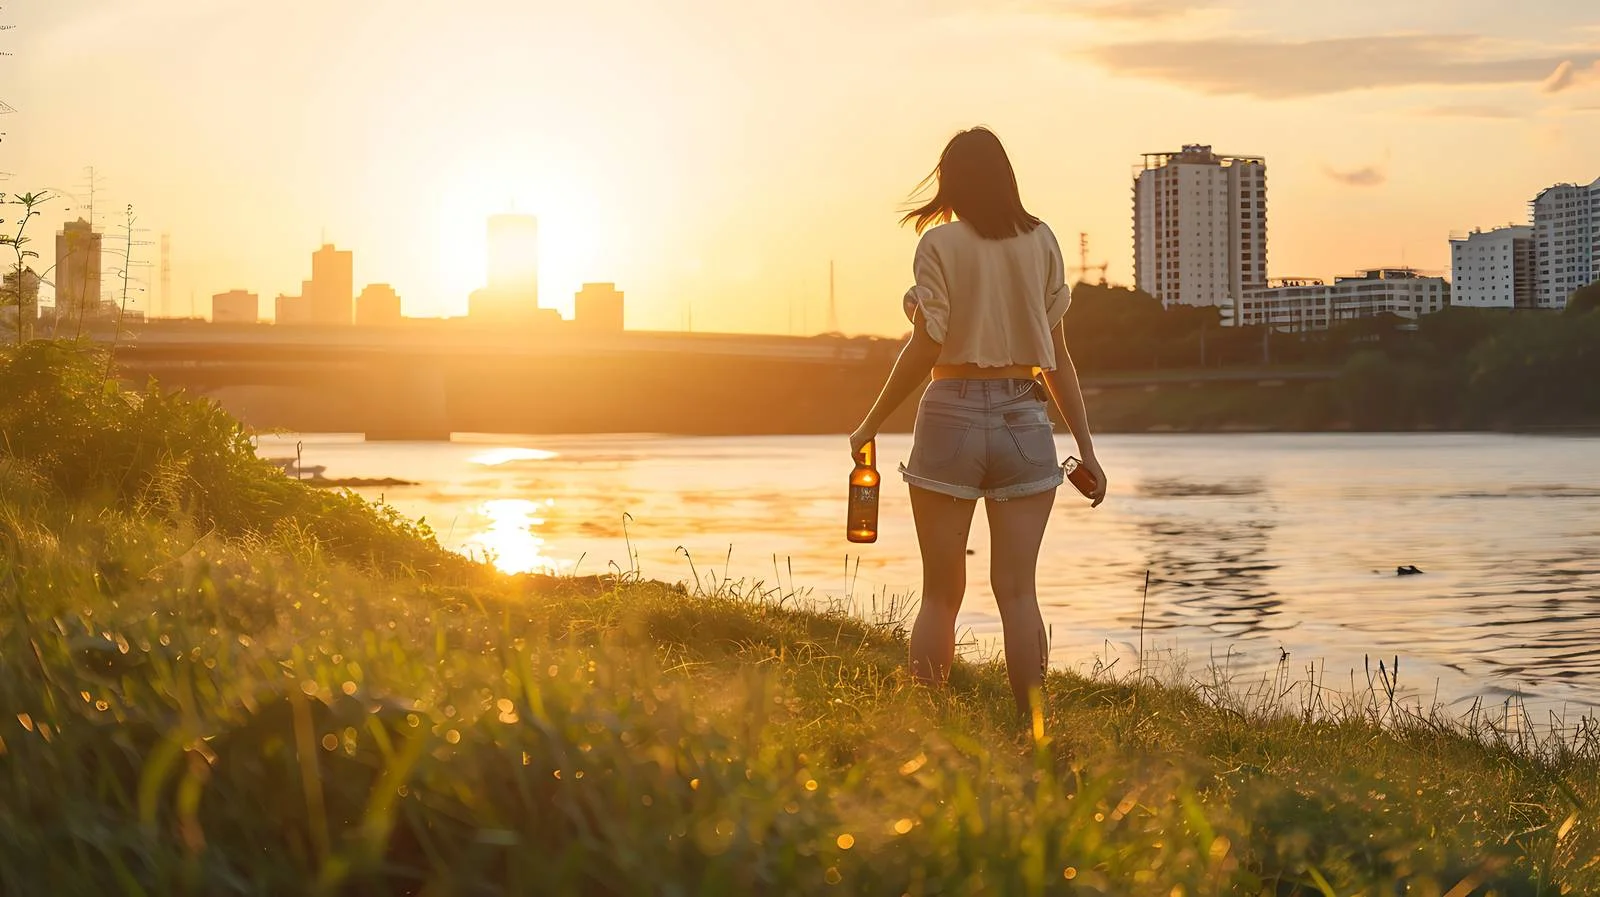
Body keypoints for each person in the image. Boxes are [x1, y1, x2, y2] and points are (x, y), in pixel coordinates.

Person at [848, 126, 1107, 718]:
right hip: (1024, 413)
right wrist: (1086, 451)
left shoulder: (938, 246)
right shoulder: (1042, 241)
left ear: (951, 182)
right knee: (1018, 593)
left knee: (941, 595)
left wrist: (869, 423)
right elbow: (1058, 354)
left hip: (949, 414)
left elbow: (926, 345)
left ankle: (926, 728)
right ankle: (1035, 730)